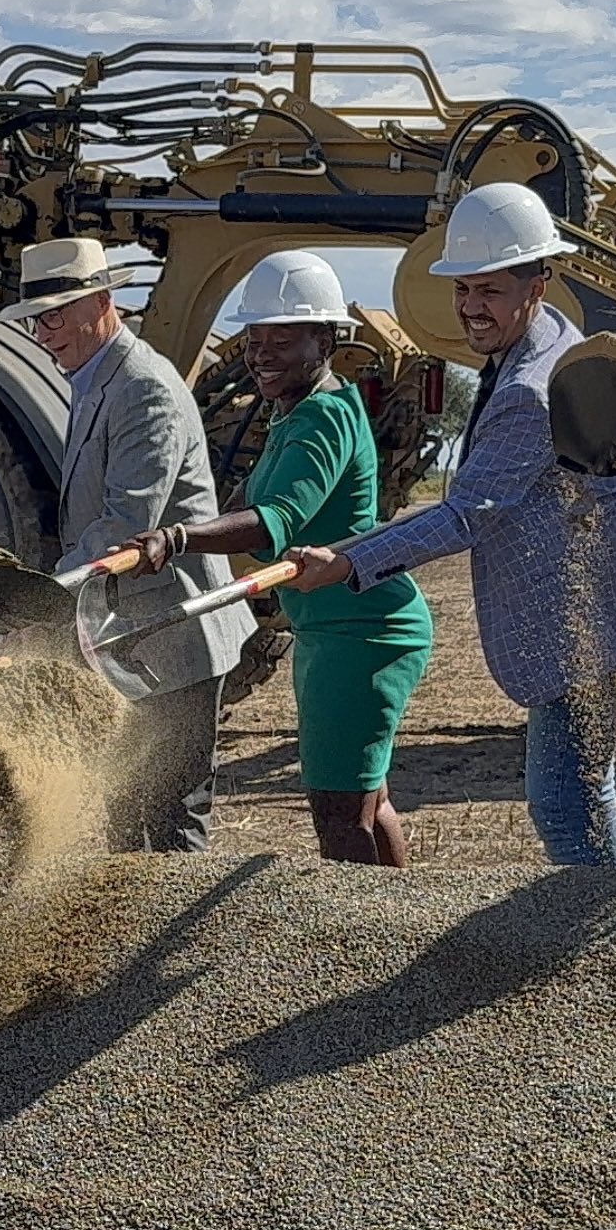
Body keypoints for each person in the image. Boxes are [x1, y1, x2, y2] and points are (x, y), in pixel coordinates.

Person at [285, 183, 616, 868]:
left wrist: (345, 562)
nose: (470, 307)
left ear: (537, 284)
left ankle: (591, 945)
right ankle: (598, 917)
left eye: (488, 290)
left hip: (571, 626)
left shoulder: (526, 391)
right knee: (583, 794)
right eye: (463, 289)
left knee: (565, 808)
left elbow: (464, 517)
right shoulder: (543, 347)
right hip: (586, 615)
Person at [113, 253, 433, 864]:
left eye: (282, 341)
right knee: (368, 798)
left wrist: (176, 538)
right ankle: (400, 927)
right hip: (338, 626)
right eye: (256, 340)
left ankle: (374, 937)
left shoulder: (321, 419)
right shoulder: (294, 413)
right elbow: (244, 502)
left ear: (327, 340)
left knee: (341, 813)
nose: (261, 355)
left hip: (360, 632)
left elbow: (275, 518)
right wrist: (186, 538)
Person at [7, 237, 247, 851]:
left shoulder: (143, 387)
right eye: (37, 318)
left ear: (102, 302)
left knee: (171, 815)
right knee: (125, 810)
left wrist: (43, 599)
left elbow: (125, 522)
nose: (44, 331)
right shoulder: (93, 377)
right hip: (134, 633)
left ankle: (180, 947)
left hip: (174, 630)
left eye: (56, 314)